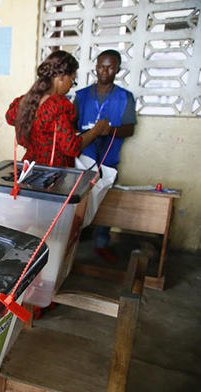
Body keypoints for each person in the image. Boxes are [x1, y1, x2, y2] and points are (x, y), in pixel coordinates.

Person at [74, 49, 137, 263]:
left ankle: (101, 244)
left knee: (105, 200)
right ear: (95, 67)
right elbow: (71, 128)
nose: (104, 71)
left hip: (109, 156)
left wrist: (107, 130)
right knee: (78, 198)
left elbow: (130, 129)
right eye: (101, 66)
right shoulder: (81, 96)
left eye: (110, 67)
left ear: (117, 69)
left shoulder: (124, 97)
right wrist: (90, 132)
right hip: (83, 156)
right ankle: (74, 237)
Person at [6, 50, 110, 167]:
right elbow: (71, 147)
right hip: (54, 171)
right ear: (61, 77)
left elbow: (10, 118)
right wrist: (96, 130)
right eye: (72, 80)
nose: (71, 85)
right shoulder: (57, 105)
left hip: (29, 166)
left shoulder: (25, 101)